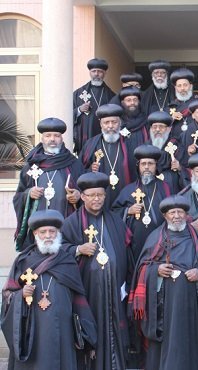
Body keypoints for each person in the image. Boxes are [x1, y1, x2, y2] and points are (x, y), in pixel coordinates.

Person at [128, 195, 198, 370]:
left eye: (180, 212)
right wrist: (156, 271)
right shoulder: (156, 237)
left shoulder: (196, 238)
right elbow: (143, 267)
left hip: (191, 302)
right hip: (164, 304)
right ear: (165, 216)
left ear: (186, 214)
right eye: (172, 213)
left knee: (188, 340)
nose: (176, 216)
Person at [1, 210, 97, 370]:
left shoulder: (68, 261)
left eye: (52, 231)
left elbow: (79, 300)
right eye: (43, 232)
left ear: (58, 233)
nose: (48, 235)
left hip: (63, 333)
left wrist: (89, 337)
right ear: (35, 234)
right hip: (32, 333)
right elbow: (7, 296)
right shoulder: (23, 261)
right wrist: (21, 295)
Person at [61, 172, 132, 370]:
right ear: (82, 196)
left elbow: (127, 250)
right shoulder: (71, 223)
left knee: (114, 331)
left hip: (113, 290)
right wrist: (77, 249)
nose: (96, 199)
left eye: (100, 195)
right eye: (91, 195)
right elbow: (58, 252)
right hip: (87, 291)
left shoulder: (116, 220)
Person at [13, 117, 83, 250]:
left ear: (61, 139)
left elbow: (85, 191)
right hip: (39, 227)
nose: (52, 139)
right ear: (42, 139)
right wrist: (29, 194)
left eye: (56, 136)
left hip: (66, 221)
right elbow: (18, 195)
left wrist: (78, 195)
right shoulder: (31, 164)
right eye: (48, 135)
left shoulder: (73, 163)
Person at [112, 144, 176, 261]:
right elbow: (114, 214)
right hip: (135, 244)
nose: (146, 167)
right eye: (143, 164)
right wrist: (128, 211)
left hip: (161, 242)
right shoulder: (128, 190)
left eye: (150, 164)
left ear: (156, 166)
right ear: (138, 166)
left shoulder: (166, 188)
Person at [80, 103, 137, 208]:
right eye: (106, 123)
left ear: (120, 123)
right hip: (99, 197)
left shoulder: (130, 143)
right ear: (101, 124)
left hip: (125, 192)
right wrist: (90, 170)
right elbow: (80, 170)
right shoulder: (91, 144)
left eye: (114, 122)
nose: (110, 126)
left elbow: (137, 170)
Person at [73, 58, 115, 153]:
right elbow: (67, 115)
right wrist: (79, 109)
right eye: (93, 71)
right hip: (85, 136)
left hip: (104, 134)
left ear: (105, 73)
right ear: (90, 72)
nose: (96, 74)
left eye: (100, 71)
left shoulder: (112, 96)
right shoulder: (79, 94)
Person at [169, 67, 198, 133]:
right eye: (179, 86)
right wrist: (171, 118)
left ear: (191, 86)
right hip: (176, 141)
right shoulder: (171, 106)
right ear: (175, 88)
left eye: (185, 85)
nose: (182, 88)